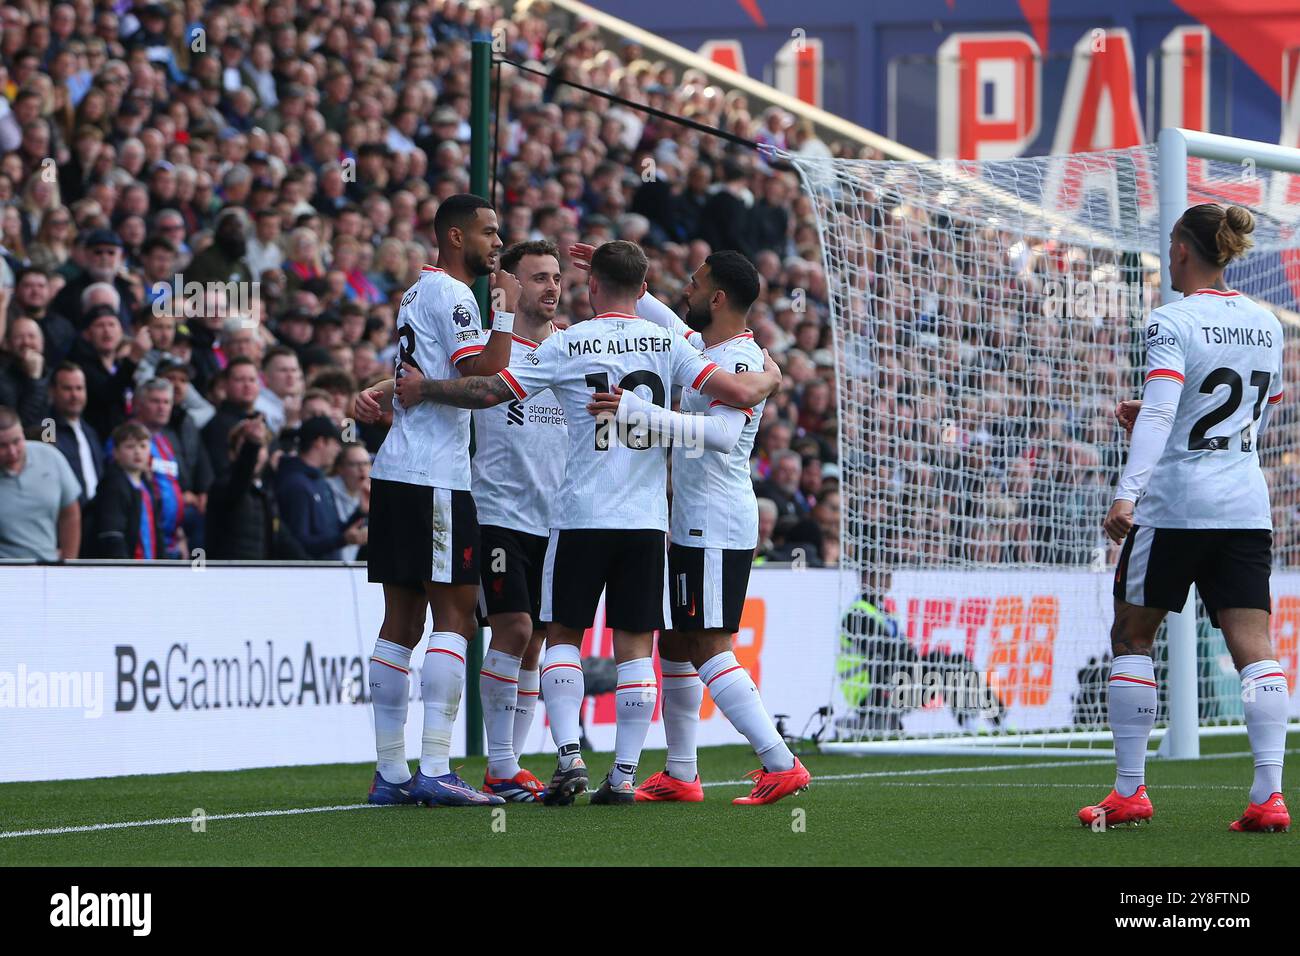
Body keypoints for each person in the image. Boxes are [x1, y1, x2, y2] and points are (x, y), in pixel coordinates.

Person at [397, 239, 780, 805]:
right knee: (635, 644)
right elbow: (733, 393)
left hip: (578, 515)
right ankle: (624, 775)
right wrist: (768, 378)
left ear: (592, 285)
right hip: (648, 520)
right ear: (642, 284)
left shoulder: (571, 342)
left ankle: (570, 756)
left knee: (562, 637)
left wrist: (421, 387)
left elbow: (489, 390)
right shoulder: (676, 343)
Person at [1083, 203, 1289, 833]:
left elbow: (1162, 410)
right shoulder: (1266, 322)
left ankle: (1128, 792)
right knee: (1254, 648)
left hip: (1175, 506)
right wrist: (1167, 416)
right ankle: (1268, 797)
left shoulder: (1170, 319)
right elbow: (1255, 409)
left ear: (1183, 251)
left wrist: (1127, 493)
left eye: (1172, 244)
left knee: (1131, 635)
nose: (1169, 255)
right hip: (1246, 504)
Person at [607, 249, 812, 804]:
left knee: (707, 644)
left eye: (694, 285)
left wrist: (636, 413)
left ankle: (779, 760)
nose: (687, 292)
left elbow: (720, 436)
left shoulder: (743, 362)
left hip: (716, 522)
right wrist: (629, 289)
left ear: (717, 298)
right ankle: (681, 771)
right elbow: (675, 328)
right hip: (690, 519)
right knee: (673, 641)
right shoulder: (710, 349)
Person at [361, 194, 519, 807]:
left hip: (398, 470)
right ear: (454, 237)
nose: (496, 242)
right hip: (436, 478)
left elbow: (421, 376)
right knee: (453, 616)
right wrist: (502, 312)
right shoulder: (455, 296)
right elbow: (484, 382)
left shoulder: (414, 292)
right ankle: (434, 767)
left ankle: (391, 774)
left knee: (401, 620)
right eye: (488, 232)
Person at [206, 416, 305, 561]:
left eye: (262, 447)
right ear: (232, 453)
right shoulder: (223, 485)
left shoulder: (265, 493)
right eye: (245, 445)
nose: (257, 452)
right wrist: (252, 443)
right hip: (227, 575)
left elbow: (285, 542)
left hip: (258, 576)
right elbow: (239, 481)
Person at [275, 415, 362, 561]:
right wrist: (342, 540)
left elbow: (333, 531)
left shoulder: (321, 482)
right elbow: (300, 544)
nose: (338, 449)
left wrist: (360, 512)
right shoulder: (296, 485)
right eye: (335, 443)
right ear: (320, 442)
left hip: (327, 573)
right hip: (310, 578)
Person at [0, 404, 81, 561]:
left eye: (17, 441)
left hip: (47, 568)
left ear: (23, 434)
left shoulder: (50, 456)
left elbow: (70, 512)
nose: (12, 451)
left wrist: (69, 563)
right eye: (2, 446)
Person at [91, 421, 165, 559]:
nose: (137, 452)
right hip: (128, 569)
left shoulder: (147, 484)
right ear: (116, 453)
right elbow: (112, 534)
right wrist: (125, 568)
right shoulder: (113, 485)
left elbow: (157, 531)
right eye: (130, 447)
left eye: (143, 446)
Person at [48, 361, 103, 506]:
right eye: (67, 388)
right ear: (52, 391)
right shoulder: (47, 426)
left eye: (79, 388)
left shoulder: (90, 431)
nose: (74, 395)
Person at [326, 441, 371, 563]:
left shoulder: (370, 493)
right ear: (340, 468)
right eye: (354, 464)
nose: (362, 469)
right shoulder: (326, 490)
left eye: (366, 463)